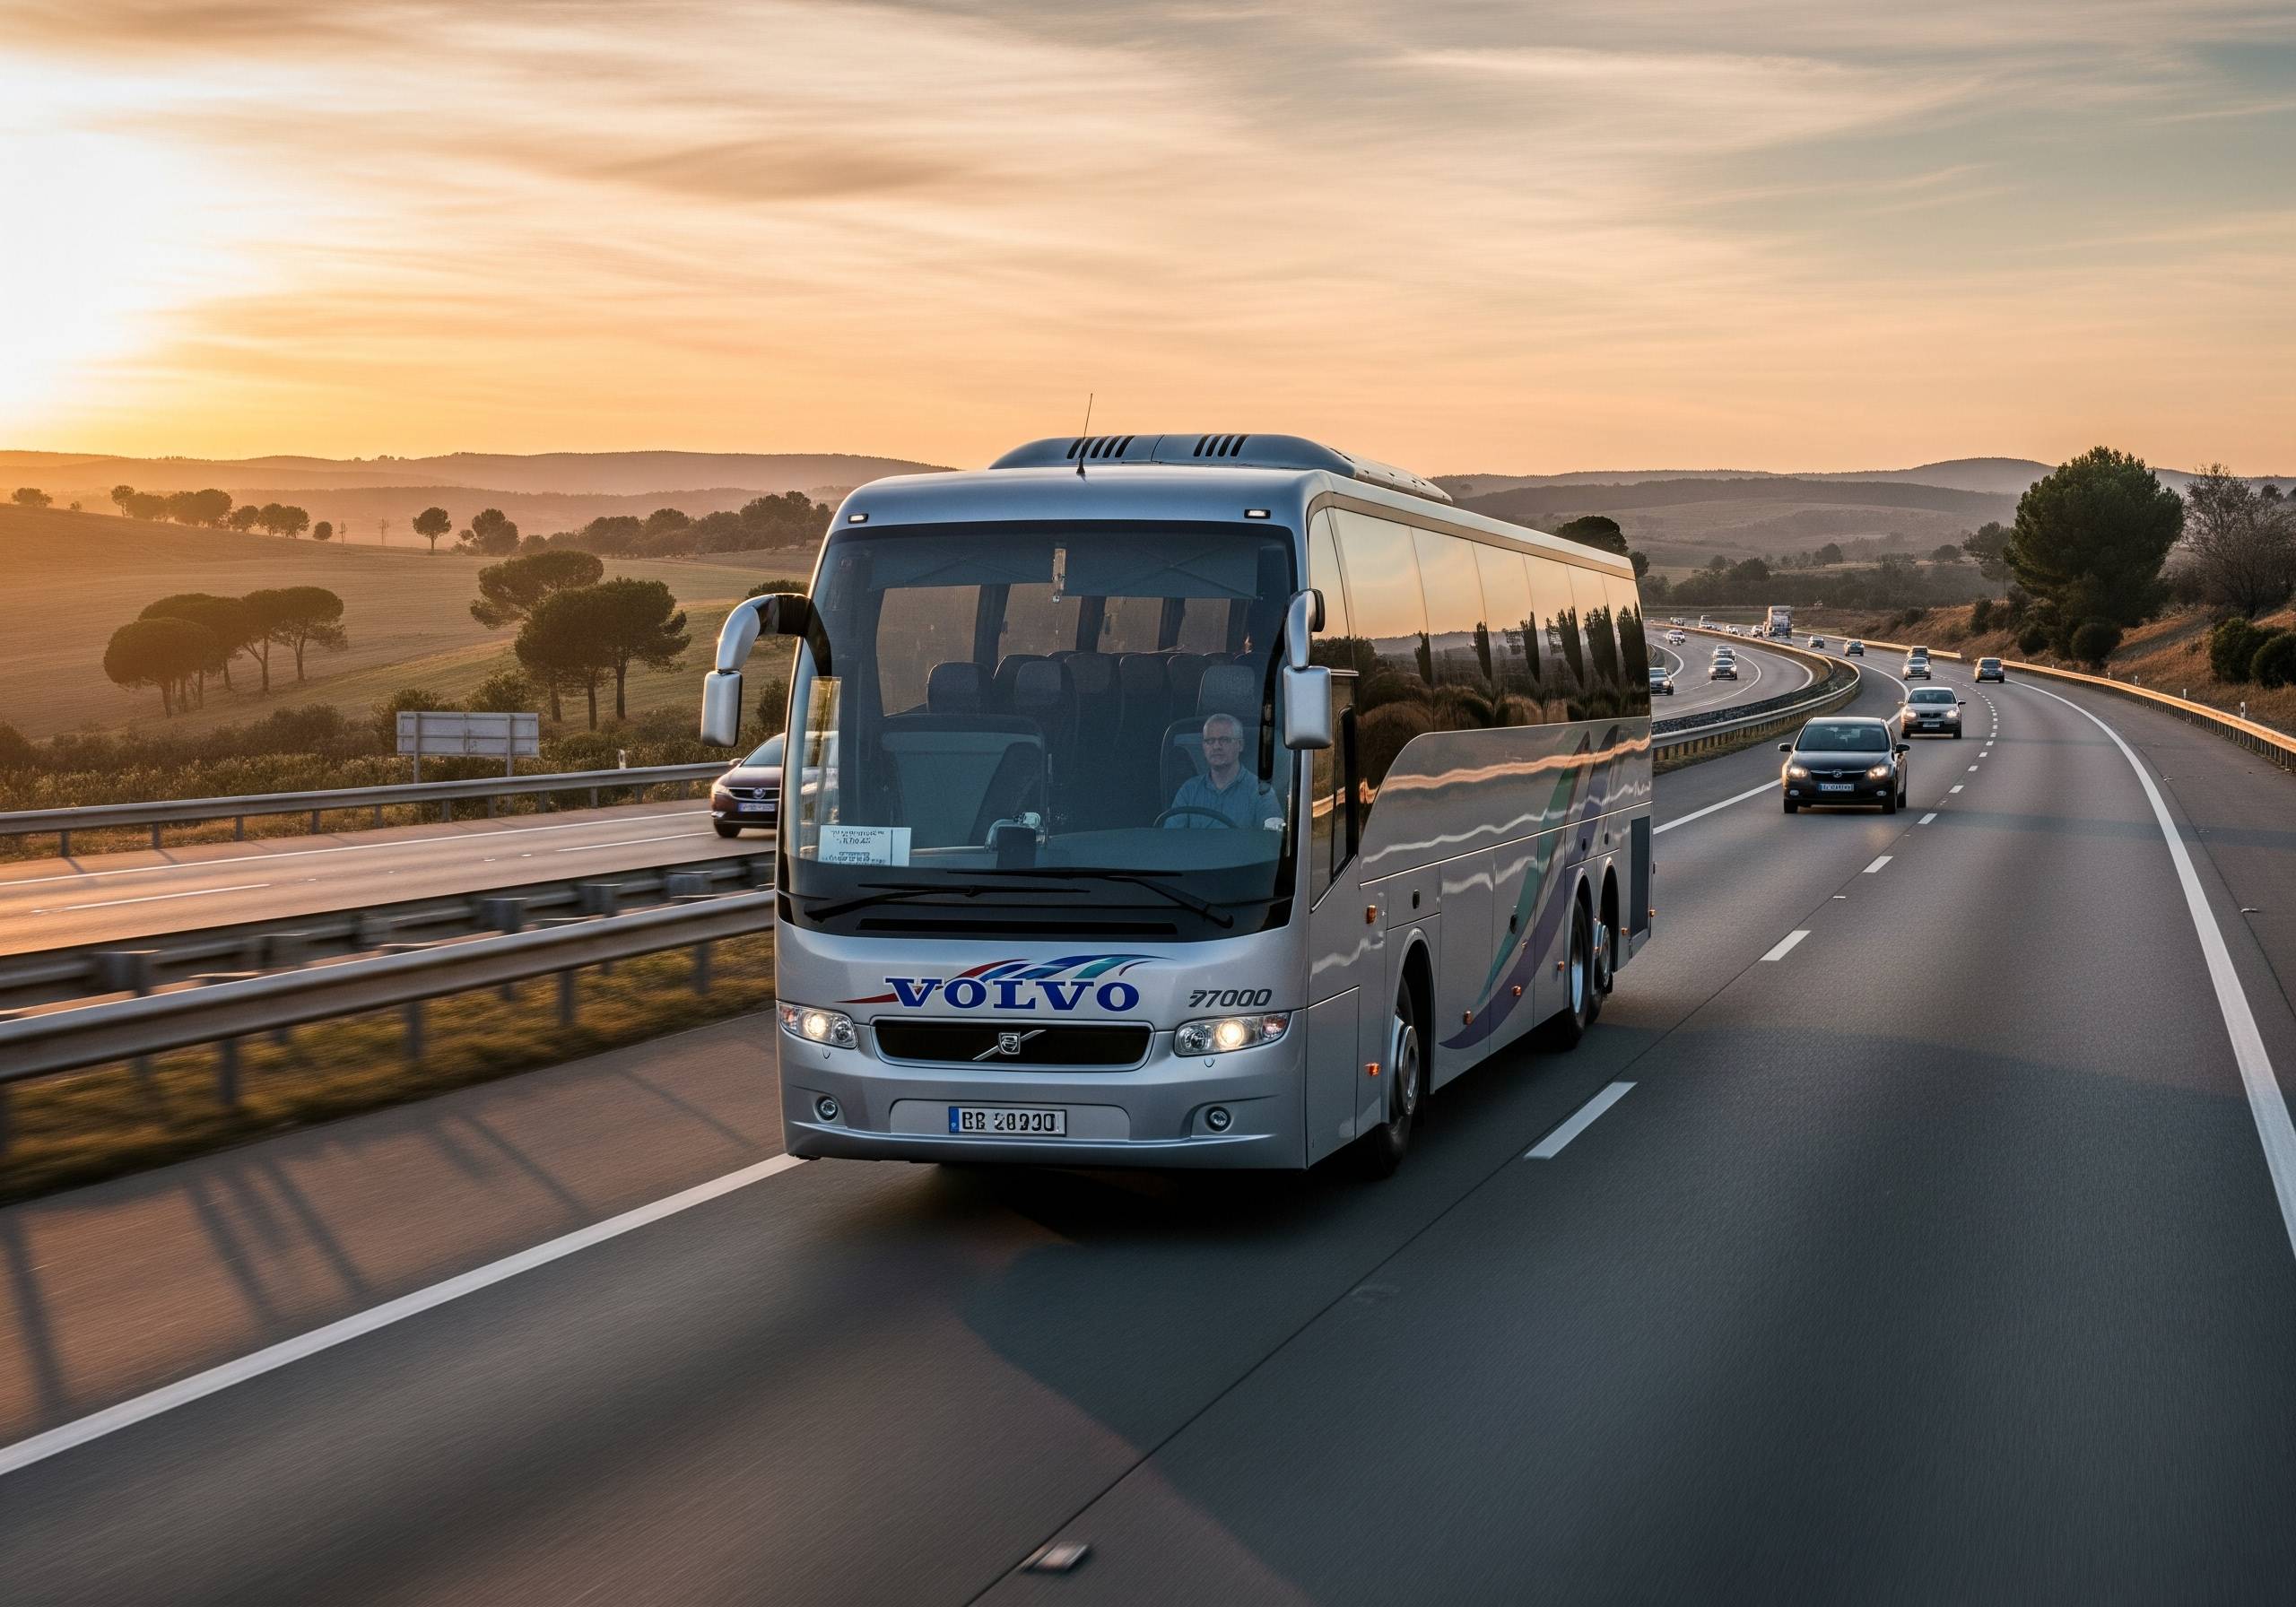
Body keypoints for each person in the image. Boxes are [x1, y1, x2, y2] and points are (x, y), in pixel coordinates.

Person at [1165, 713, 1279, 829]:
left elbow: (1270, 841)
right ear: (1203, 746)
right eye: (1209, 741)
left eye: (1224, 740)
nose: (1216, 746)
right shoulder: (1188, 791)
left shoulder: (1262, 792)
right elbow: (1171, 840)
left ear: (1240, 745)